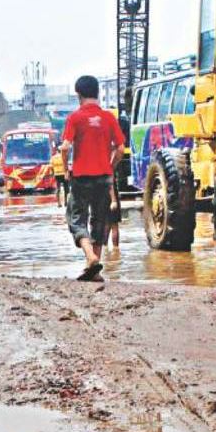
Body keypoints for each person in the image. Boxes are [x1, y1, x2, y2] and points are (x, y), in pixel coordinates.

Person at [60, 75, 124, 281]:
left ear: (79, 95)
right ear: (97, 94)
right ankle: (94, 271)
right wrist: (110, 167)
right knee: (99, 220)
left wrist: (66, 169)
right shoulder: (109, 118)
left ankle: (90, 257)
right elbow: (120, 149)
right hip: (104, 177)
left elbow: (65, 147)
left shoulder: (75, 118)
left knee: (76, 218)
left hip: (81, 177)